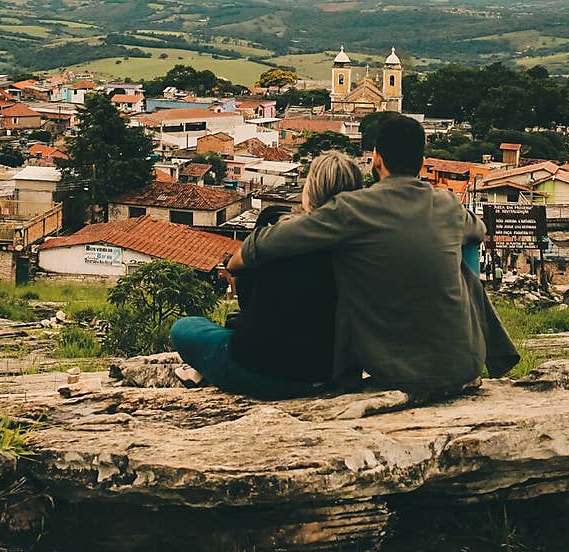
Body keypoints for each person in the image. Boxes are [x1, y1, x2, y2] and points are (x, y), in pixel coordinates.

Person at [227, 112, 518, 396]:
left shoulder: (352, 208)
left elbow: (272, 241)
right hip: (465, 364)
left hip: (397, 371)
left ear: (376, 157)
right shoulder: (446, 204)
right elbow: (477, 231)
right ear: (422, 162)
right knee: (463, 248)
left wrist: (238, 259)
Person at [170, 150, 363, 398]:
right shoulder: (363, 249)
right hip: (325, 373)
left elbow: (245, 291)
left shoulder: (279, 238)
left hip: (258, 372)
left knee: (186, 327)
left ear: (311, 190)